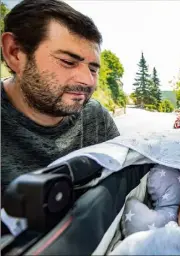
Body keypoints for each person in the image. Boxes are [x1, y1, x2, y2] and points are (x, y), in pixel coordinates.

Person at [1, 0, 120, 192]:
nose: (87, 81)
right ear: (15, 53)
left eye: (93, 69)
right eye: (68, 62)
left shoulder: (96, 118)